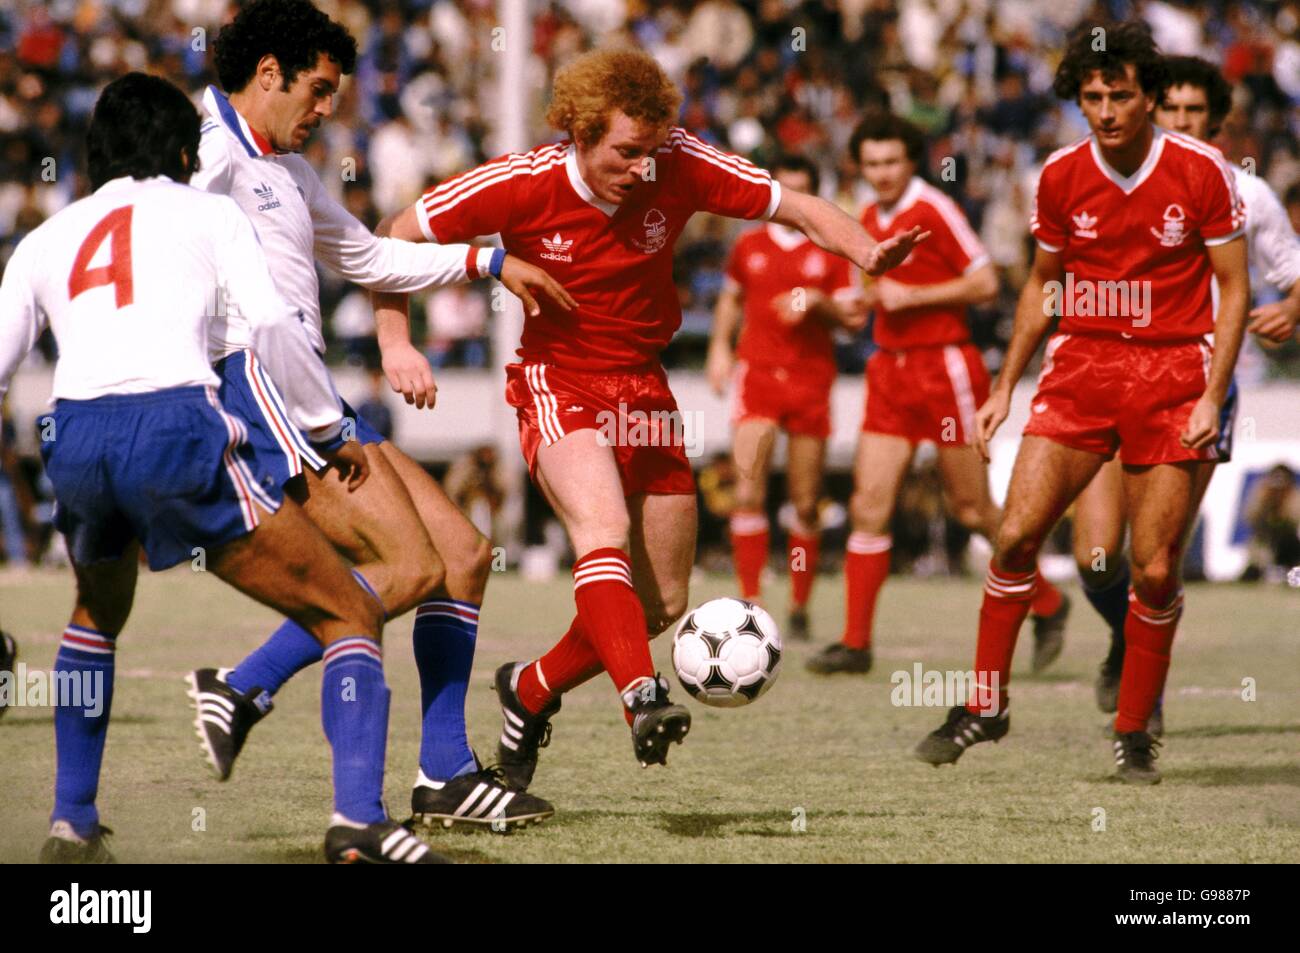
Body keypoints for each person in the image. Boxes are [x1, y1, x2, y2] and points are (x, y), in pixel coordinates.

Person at [374, 47, 926, 788]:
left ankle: (529, 689)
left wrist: (867, 250)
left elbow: (796, 206)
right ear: (578, 133)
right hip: (555, 378)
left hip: (645, 388)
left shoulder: (679, 159)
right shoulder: (519, 182)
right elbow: (393, 236)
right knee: (600, 532)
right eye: (626, 153)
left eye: (651, 152)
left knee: (663, 600)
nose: (643, 169)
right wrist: (396, 340)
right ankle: (642, 695)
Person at [0, 72, 440, 863]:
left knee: (95, 616)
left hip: (75, 437)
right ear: (181, 148)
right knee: (348, 609)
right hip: (174, 428)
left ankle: (72, 821)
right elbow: (269, 324)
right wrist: (325, 424)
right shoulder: (211, 212)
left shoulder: (45, 237)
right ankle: (359, 822)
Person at [184, 0, 566, 829]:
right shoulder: (202, 158)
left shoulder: (287, 171)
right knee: (411, 566)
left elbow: (363, 255)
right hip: (262, 402)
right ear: (269, 73)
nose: (327, 110)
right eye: (318, 90)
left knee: (463, 552)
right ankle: (245, 686)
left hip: (316, 395)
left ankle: (444, 773)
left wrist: (486, 258)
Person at [913, 21, 1249, 785]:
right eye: (1092, 96)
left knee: (1155, 568)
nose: (1104, 110)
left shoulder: (1201, 171)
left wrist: (1213, 391)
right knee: (1014, 538)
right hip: (1083, 368)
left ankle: (1134, 730)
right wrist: (1005, 383)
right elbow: (1042, 283)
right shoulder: (1061, 175)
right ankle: (985, 705)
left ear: (1149, 96)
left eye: (1120, 95)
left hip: (1171, 373)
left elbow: (1234, 288)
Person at [1075, 55, 1300, 725]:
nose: (1180, 121)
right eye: (1169, 108)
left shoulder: (1244, 192)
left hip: (1194, 391)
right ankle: (1127, 638)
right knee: (1093, 557)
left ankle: (1146, 700)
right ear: (1148, 109)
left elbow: (1293, 274)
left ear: (1217, 120)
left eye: (1194, 111)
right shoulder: (1109, 176)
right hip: (1108, 379)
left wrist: (1290, 309)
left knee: (1157, 559)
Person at [806, 110, 1070, 676]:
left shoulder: (935, 208)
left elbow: (986, 282)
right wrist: (856, 304)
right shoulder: (870, 213)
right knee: (868, 506)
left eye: (891, 162)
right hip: (890, 372)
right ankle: (856, 643)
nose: (880, 173)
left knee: (973, 509)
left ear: (911, 161)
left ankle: (1048, 600)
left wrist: (914, 296)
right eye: (871, 163)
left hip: (945, 370)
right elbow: (876, 294)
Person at [705, 153, 860, 641]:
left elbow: (854, 318)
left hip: (811, 378)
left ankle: (798, 604)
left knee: (806, 503)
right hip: (758, 377)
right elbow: (731, 297)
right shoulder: (749, 244)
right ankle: (751, 604)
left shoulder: (830, 250)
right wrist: (718, 349)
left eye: (801, 189)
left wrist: (817, 301)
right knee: (747, 491)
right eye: (784, 188)